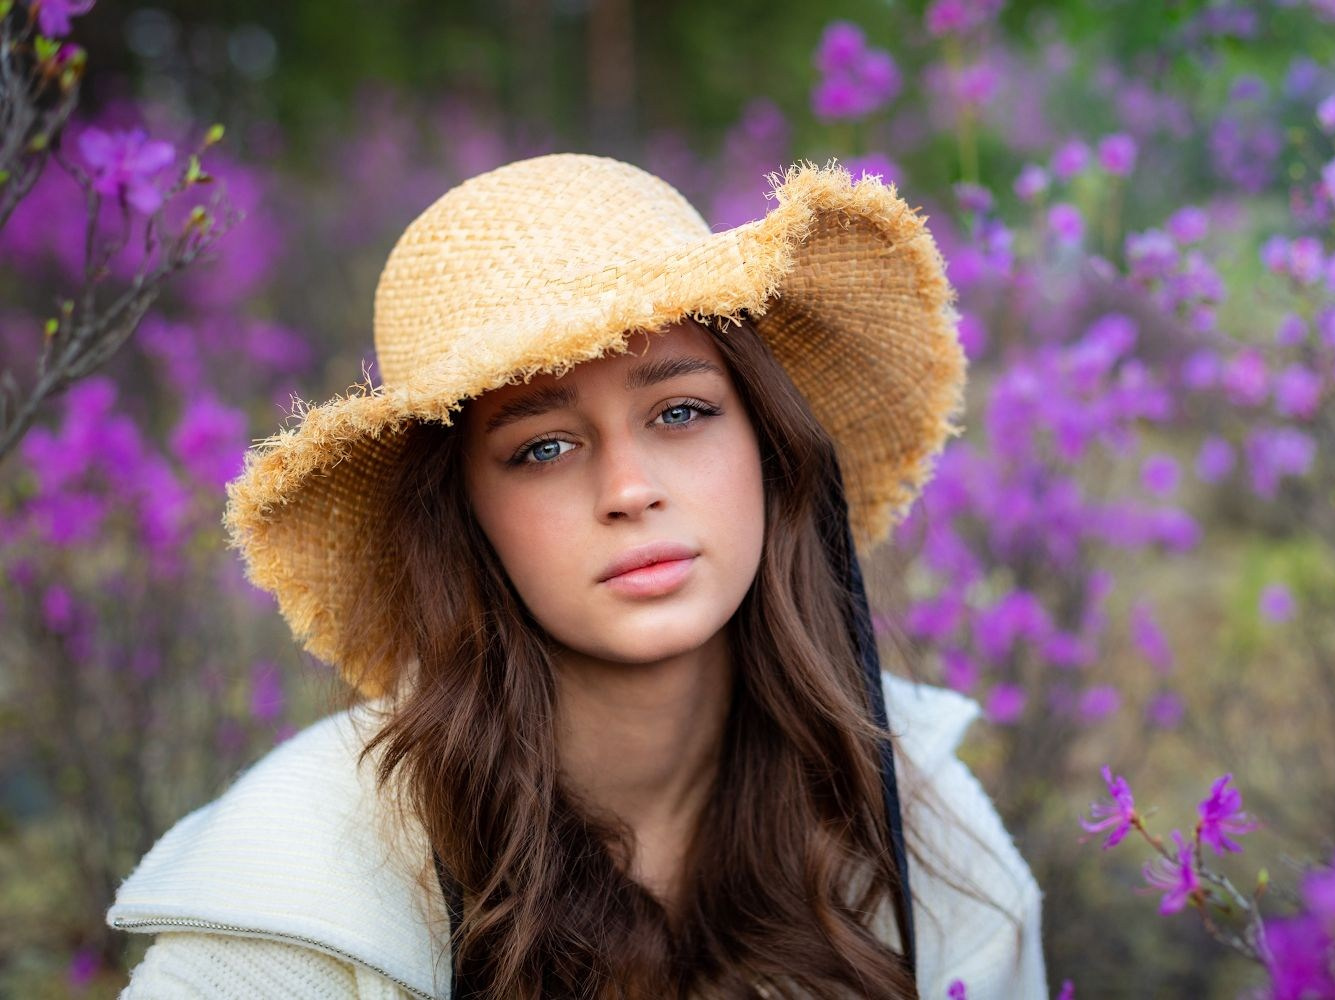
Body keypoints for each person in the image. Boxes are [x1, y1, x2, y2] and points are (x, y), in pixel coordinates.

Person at [105, 153, 1047, 999]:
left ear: (769, 443)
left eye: (680, 412)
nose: (630, 490)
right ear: (462, 515)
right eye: (543, 446)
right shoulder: (306, 886)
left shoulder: (912, 809)